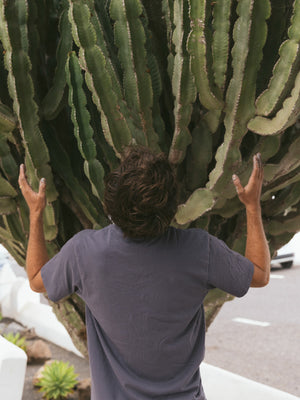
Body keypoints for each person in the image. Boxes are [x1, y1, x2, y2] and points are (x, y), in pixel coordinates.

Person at [18, 146, 270, 400]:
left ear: (113, 201)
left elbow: (37, 280)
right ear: (172, 205)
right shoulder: (199, 249)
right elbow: (259, 274)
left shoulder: (85, 252)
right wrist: (252, 206)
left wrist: (36, 213)